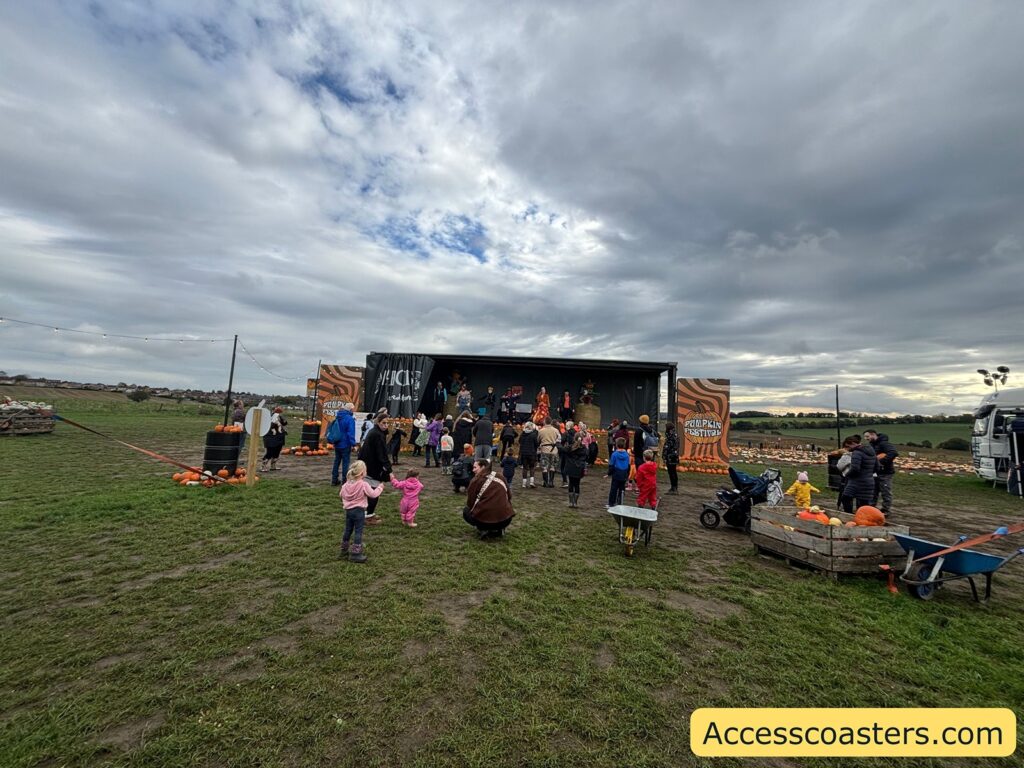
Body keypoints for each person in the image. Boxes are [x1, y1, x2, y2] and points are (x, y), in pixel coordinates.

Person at [339, 460, 382, 563]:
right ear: (363, 473)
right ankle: (356, 553)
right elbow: (373, 494)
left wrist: (348, 500)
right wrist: (380, 487)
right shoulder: (363, 484)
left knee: (348, 529)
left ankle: (344, 549)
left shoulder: (346, 485)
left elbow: (341, 495)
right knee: (358, 531)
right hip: (359, 511)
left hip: (349, 511)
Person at [462, 459, 515, 539]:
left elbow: (470, 503)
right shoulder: (500, 476)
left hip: (485, 521)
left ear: (483, 467)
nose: (473, 470)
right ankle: (498, 529)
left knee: (466, 511)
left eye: (475, 467)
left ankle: (483, 529)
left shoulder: (475, 480)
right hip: (506, 519)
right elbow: (509, 496)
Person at [356, 414, 392, 526]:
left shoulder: (375, 432)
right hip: (372, 467)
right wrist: (388, 469)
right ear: (378, 422)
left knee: (368, 491)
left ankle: (367, 513)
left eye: (387, 423)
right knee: (373, 492)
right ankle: (368, 516)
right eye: (383, 423)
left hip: (367, 465)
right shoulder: (377, 435)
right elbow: (381, 454)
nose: (386, 425)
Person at [839, 435, 876, 515]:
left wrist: (847, 475)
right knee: (863, 504)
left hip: (856, 481)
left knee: (846, 498)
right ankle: (862, 521)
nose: (847, 449)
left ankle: (849, 516)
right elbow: (878, 467)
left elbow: (855, 469)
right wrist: (868, 474)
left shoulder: (857, 452)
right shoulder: (871, 451)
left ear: (853, 443)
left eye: (847, 446)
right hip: (869, 481)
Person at [864, 430, 898, 515]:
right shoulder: (872, 445)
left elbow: (893, 453)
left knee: (885, 491)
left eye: (867, 436)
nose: (866, 438)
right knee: (874, 490)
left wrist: (881, 462)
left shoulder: (884, 443)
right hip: (875, 471)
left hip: (886, 472)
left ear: (873, 435)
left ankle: (886, 510)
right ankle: (871, 507)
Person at [328, 402, 357, 486]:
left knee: (337, 461)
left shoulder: (338, 416)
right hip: (346, 443)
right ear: (351, 409)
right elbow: (350, 433)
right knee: (345, 462)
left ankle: (334, 479)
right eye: (353, 408)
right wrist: (353, 444)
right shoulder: (349, 419)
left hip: (337, 442)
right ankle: (345, 480)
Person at [558, 430, 587, 507]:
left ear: (574, 438)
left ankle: (571, 502)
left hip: (570, 468)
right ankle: (576, 502)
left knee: (571, 483)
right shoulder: (584, 449)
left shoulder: (570, 447)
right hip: (579, 468)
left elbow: (562, 449)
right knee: (577, 484)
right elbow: (586, 457)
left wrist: (557, 444)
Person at [261, 406, 287, 472]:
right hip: (270, 437)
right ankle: (263, 466)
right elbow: (270, 425)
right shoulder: (268, 417)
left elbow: (284, 423)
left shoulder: (279, 417)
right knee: (270, 452)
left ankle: (273, 466)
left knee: (277, 451)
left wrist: (282, 418)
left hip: (279, 436)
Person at [606, 438, 630, 508]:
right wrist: (627, 474)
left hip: (616, 473)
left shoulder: (614, 454)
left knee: (613, 489)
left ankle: (611, 503)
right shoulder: (626, 455)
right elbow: (628, 465)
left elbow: (611, 465)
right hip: (624, 473)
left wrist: (609, 473)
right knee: (622, 489)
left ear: (616, 445)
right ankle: (620, 503)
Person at [537, 417, 561, 488]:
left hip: (545, 449)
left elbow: (538, 440)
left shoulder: (541, 430)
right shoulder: (556, 430)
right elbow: (559, 439)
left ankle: (545, 482)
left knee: (545, 466)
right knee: (552, 466)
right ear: (550, 422)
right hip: (554, 450)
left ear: (544, 422)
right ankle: (551, 482)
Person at [518, 421, 539, 488]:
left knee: (525, 468)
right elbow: (536, 444)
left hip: (524, 453)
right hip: (532, 453)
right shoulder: (533, 435)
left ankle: (524, 483)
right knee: (532, 467)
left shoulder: (522, 434)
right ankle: (531, 482)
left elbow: (519, 441)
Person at [663, 422, 680, 494]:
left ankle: (673, 488)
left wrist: (664, 455)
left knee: (671, 472)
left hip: (670, 456)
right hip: (674, 456)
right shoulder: (675, 435)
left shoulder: (670, 436)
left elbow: (668, 447)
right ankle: (674, 487)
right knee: (674, 472)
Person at [559, 420, 576, 487]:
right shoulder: (576, 433)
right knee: (571, 467)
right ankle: (572, 482)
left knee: (563, 467)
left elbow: (562, 441)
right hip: (573, 452)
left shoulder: (566, 433)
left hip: (566, 452)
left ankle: (565, 481)